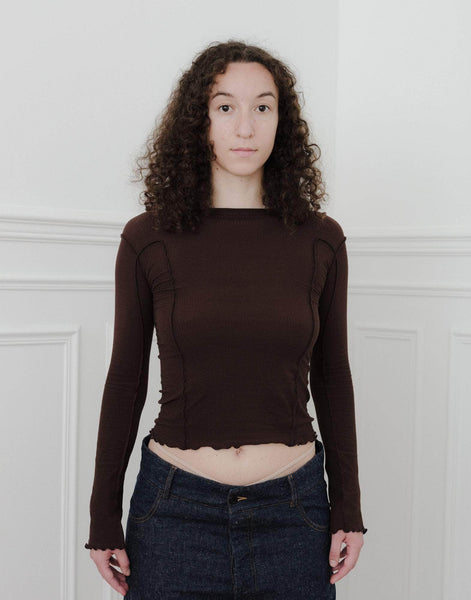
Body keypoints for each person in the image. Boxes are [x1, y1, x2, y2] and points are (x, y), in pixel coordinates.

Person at [85, 39, 367, 599]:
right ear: (200, 120)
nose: (245, 127)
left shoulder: (320, 239)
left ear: (282, 121)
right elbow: (125, 379)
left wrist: (348, 508)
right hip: (174, 513)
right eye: (225, 106)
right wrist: (102, 516)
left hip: (294, 515)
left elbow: (332, 375)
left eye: (263, 106)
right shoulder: (148, 238)